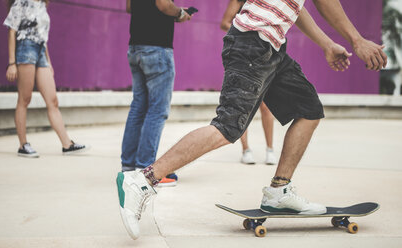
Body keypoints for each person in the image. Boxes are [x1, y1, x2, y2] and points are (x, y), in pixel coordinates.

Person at [117, 0, 387, 240]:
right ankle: (144, 179)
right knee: (226, 128)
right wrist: (357, 40)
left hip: (273, 48)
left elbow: (298, 6)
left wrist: (327, 43)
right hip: (252, 44)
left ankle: (279, 192)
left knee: (309, 110)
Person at [4, 0, 88, 158]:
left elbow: (43, 36)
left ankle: (67, 144)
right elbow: (11, 31)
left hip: (41, 51)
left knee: (53, 100)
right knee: (24, 98)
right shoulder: (22, 2)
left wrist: (48, 62)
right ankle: (23, 145)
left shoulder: (42, 4)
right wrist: (12, 63)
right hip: (25, 48)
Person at [121, 0, 192, 186]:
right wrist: (180, 14)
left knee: (138, 108)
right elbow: (163, 4)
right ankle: (146, 171)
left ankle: (129, 167)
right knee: (157, 111)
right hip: (157, 47)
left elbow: (130, 7)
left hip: (135, 46)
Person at [220, 0, 276, 165]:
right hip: (243, 55)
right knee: (242, 105)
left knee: (266, 106)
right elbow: (224, 23)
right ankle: (246, 150)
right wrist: (247, 32)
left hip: (266, 55)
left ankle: (270, 149)